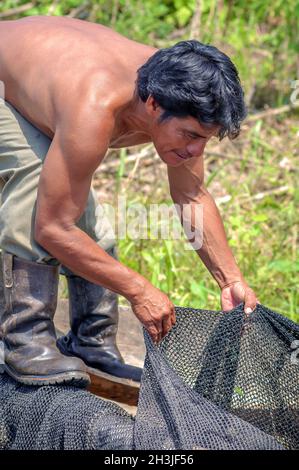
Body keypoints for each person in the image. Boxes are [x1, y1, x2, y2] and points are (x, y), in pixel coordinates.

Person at [0, 15, 259, 387]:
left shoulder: (185, 93)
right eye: (189, 135)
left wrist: (229, 280)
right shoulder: (96, 103)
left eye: (206, 138)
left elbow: (191, 194)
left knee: (88, 223)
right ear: (153, 104)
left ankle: (91, 342)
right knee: (38, 181)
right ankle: (23, 342)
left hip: (42, 76)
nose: (195, 150)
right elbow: (53, 227)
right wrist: (139, 290)